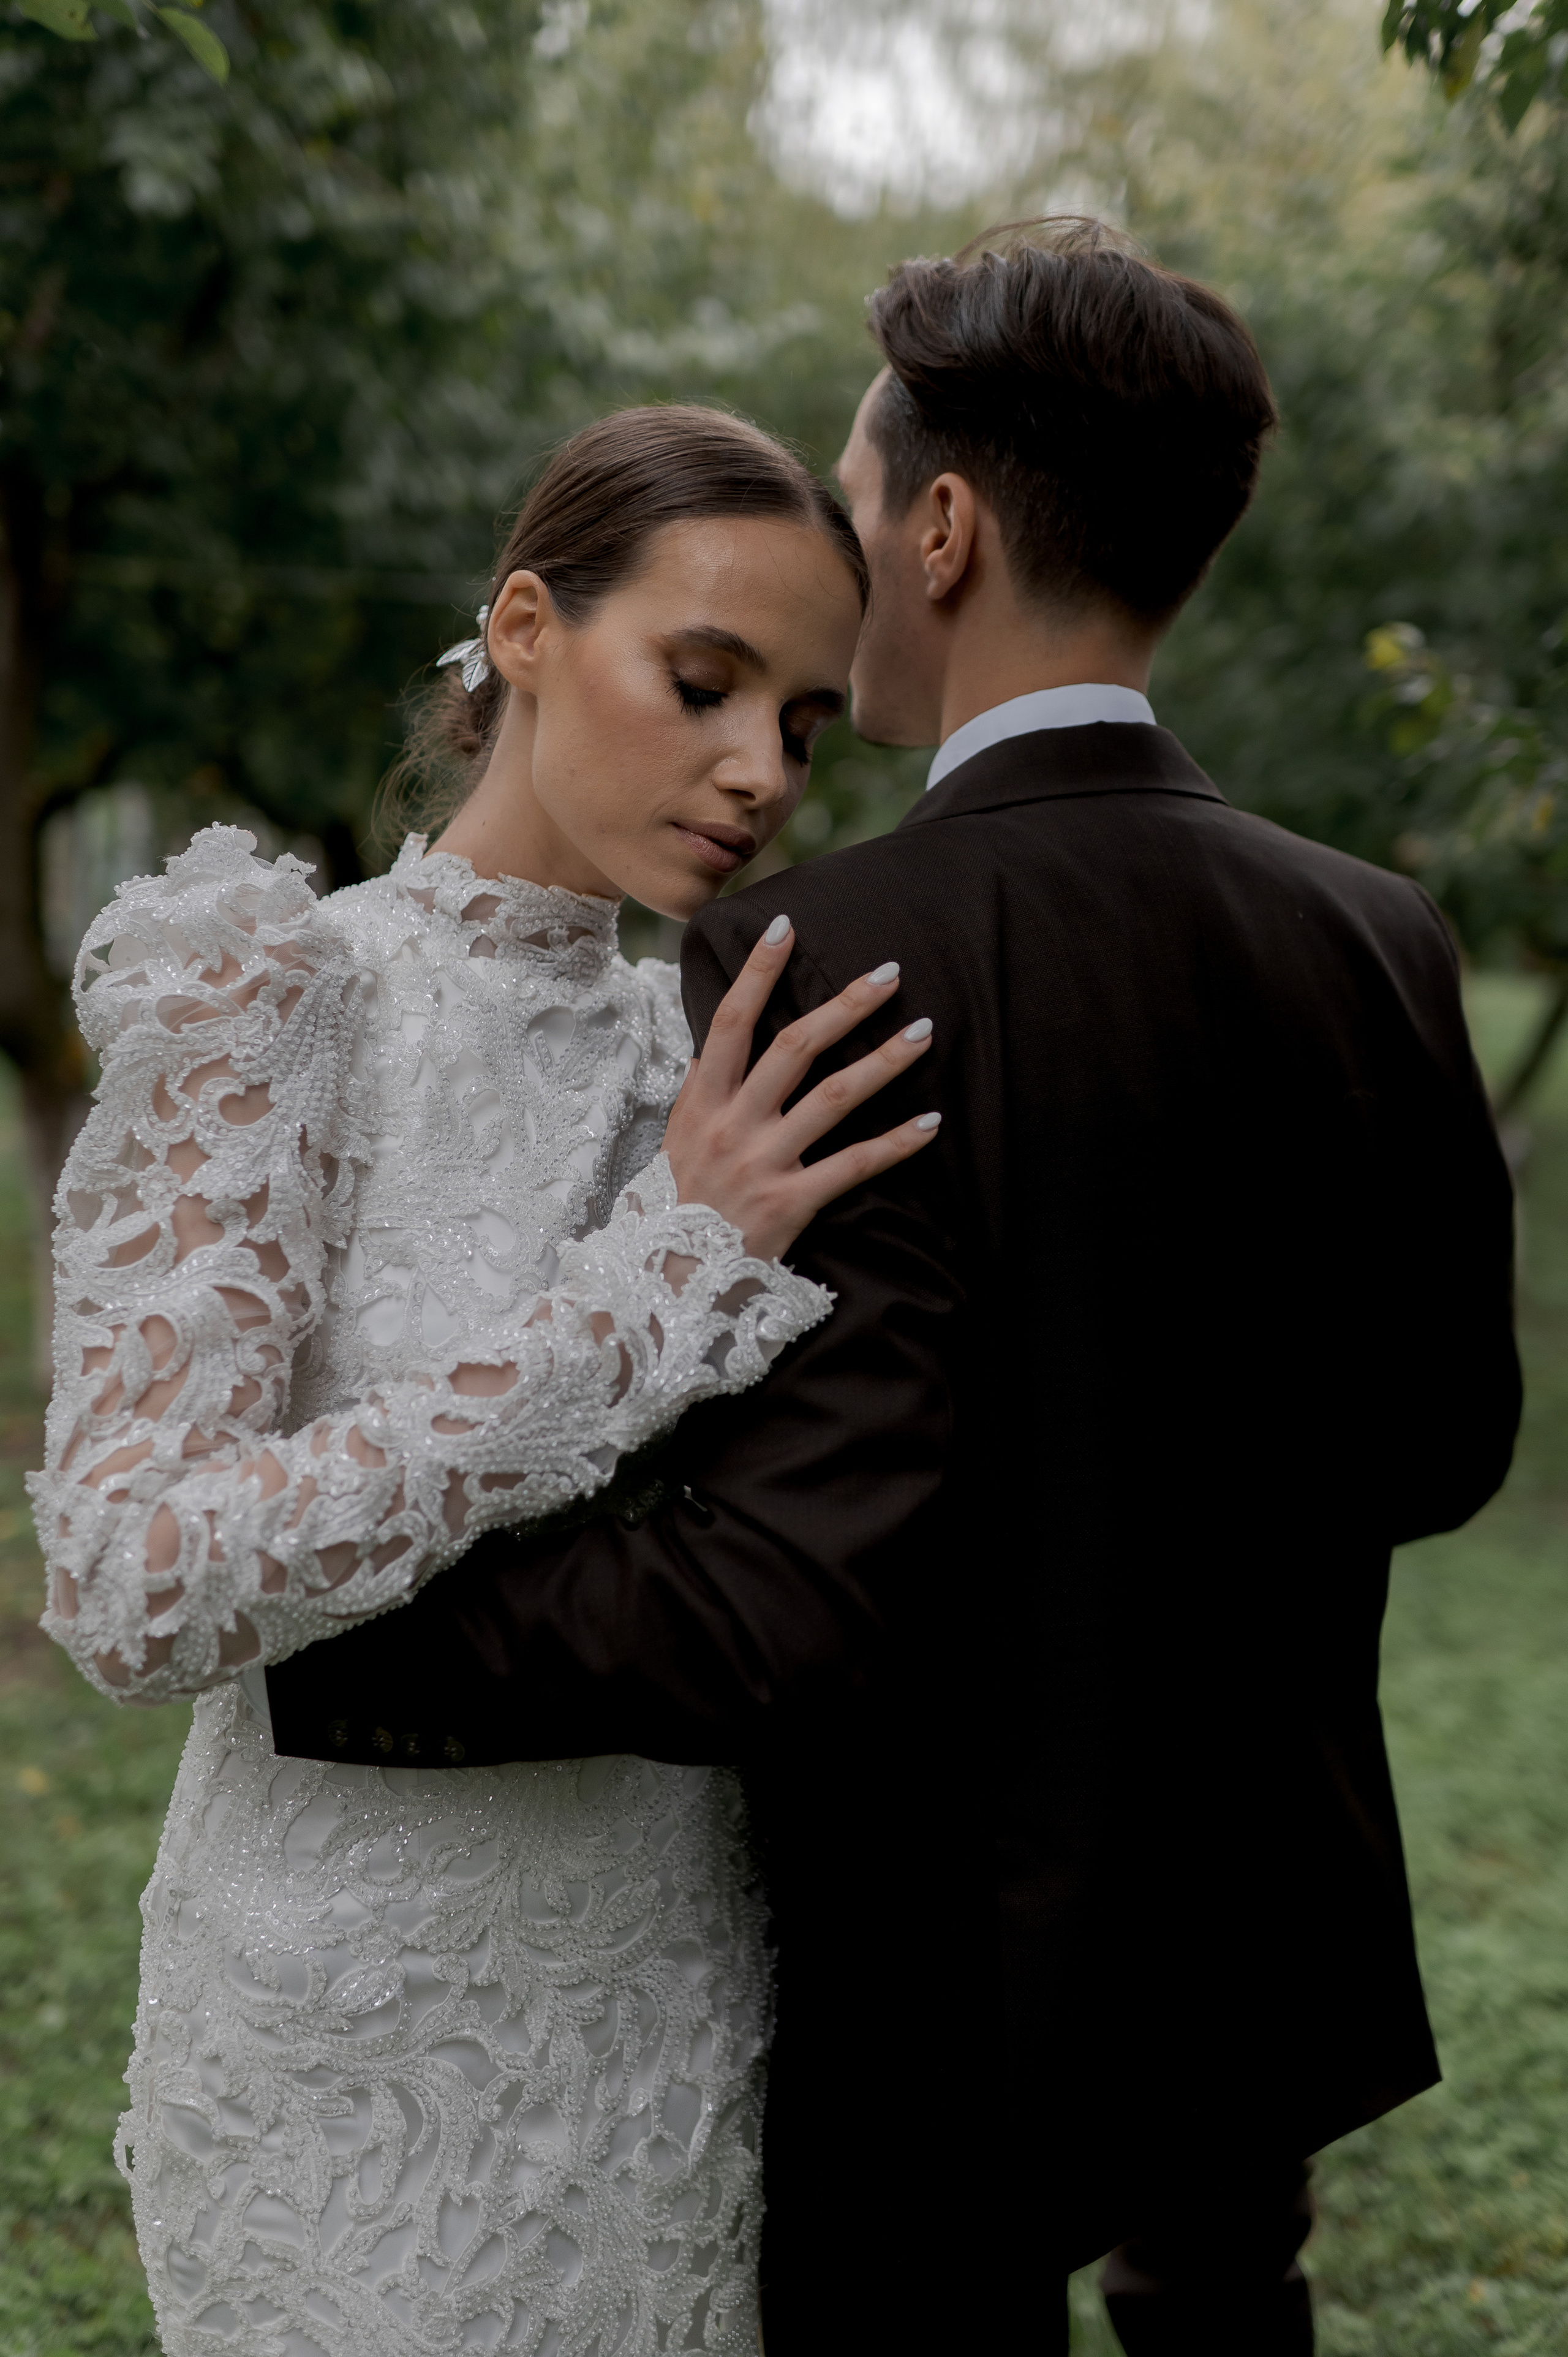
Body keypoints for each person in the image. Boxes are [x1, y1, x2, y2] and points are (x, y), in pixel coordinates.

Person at [273, 219, 1525, 2355]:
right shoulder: (1376, 932)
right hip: (1263, 1897)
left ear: (941, 532)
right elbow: (1443, 1445)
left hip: (944, 1955)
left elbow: (791, 1588)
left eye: (856, 508)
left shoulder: (834, 952)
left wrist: (346, 1647)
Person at [31, 405, 943, 2357]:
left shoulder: (716, 1066)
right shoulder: (276, 996)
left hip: (670, 2012)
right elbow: (128, 1585)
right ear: (526, 628)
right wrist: (643, 1298)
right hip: (340, 2043)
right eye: (702, 682)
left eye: (802, 725)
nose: (758, 771)